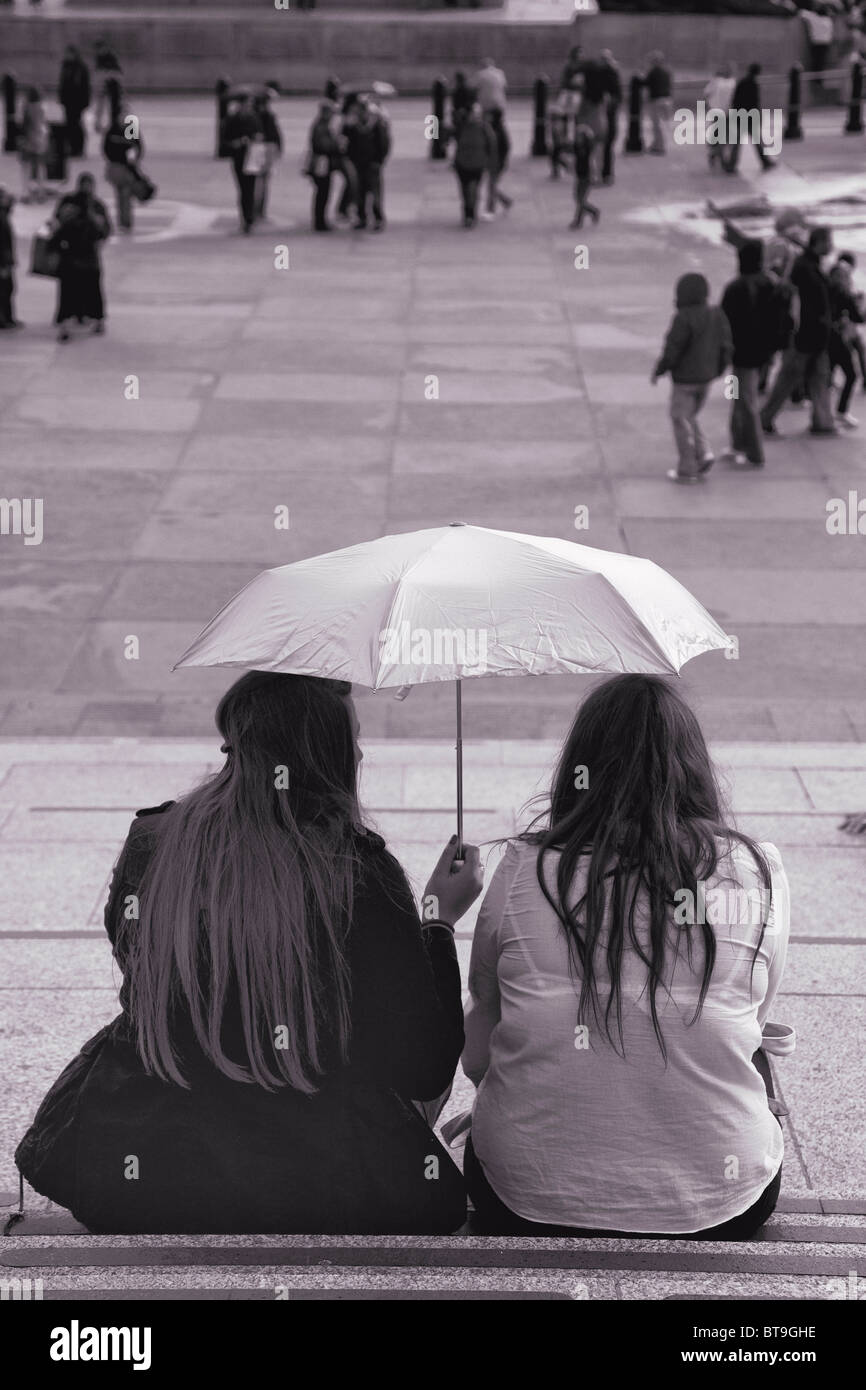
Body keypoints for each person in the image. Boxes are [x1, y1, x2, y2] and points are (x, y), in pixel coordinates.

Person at [16, 673, 483, 1234]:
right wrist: (435, 922)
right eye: (353, 738)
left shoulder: (151, 840)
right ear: (327, 753)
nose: (361, 753)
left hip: (147, 1164)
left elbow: (138, 968)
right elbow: (424, 1065)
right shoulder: (358, 870)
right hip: (325, 1183)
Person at [462, 674, 790, 1240]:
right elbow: (750, 1024)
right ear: (693, 769)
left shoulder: (522, 868)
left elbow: (479, 1042)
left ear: (577, 769)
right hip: (722, 1199)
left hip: (521, 1192)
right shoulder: (755, 871)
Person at [652, 272, 733, 482]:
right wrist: (720, 368)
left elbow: (673, 349)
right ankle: (703, 452)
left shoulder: (683, 318)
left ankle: (687, 467)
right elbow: (726, 344)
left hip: (685, 379)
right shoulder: (717, 314)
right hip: (706, 377)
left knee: (680, 419)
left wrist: (660, 369)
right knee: (689, 417)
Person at [760, 226, 837, 436]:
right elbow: (796, 302)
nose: (832, 246)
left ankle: (823, 421)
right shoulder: (805, 267)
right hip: (804, 334)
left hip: (815, 333)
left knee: (818, 377)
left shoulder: (809, 265)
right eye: (829, 241)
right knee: (789, 378)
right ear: (819, 242)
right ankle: (764, 418)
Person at [720, 240, 788, 468]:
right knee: (739, 397)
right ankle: (737, 443)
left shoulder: (737, 287)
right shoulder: (770, 283)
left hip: (741, 353)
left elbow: (724, 322)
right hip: (762, 352)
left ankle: (754, 451)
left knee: (743, 399)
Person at [47, 173, 111, 342]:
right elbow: (104, 232)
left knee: (68, 294)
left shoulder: (69, 211)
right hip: (89, 260)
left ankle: (66, 326)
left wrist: (54, 248)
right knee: (93, 292)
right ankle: (96, 320)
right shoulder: (96, 212)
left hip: (70, 260)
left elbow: (57, 231)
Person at [827, 253, 863, 427]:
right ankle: (840, 411)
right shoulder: (843, 293)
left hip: (823, 336)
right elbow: (859, 317)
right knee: (851, 374)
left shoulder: (823, 288)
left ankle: (823, 413)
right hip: (837, 338)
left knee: (825, 375)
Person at [345, 96, 390, 231]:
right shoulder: (354, 126)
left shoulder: (376, 124)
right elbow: (348, 142)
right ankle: (362, 217)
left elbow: (384, 144)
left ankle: (378, 218)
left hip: (373, 163)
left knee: (375, 192)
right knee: (360, 192)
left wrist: (379, 160)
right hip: (359, 163)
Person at [223, 93, 263, 234]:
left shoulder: (254, 118)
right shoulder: (233, 119)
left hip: (251, 156)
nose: (249, 106)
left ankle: (249, 217)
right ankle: (246, 216)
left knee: (250, 188)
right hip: (239, 157)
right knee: (243, 188)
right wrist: (238, 142)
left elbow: (260, 134)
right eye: (247, 103)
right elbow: (226, 140)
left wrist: (256, 139)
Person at [724, 64, 774, 172]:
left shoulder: (741, 82)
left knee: (737, 143)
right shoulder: (754, 85)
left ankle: (731, 165)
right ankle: (765, 161)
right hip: (750, 117)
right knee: (757, 142)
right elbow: (755, 103)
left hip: (739, 116)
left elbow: (735, 100)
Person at [453, 102, 495, 229]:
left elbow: (491, 144)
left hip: (477, 164)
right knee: (465, 191)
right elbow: (447, 135)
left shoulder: (483, 127)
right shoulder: (461, 126)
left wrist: (489, 161)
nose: (475, 116)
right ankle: (468, 213)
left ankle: (470, 215)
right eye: (473, 113)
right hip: (463, 163)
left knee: (473, 190)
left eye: (477, 114)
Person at [103, 112, 143, 233]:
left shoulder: (130, 127)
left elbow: (137, 146)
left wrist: (134, 159)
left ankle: (125, 221)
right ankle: (124, 220)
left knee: (125, 193)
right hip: (116, 166)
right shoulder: (113, 130)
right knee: (121, 193)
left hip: (126, 167)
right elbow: (106, 148)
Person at [305, 99, 341, 233]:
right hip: (321, 163)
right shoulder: (321, 126)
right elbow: (322, 145)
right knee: (322, 192)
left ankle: (320, 219)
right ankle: (320, 221)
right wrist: (336, 145)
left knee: (322, 192)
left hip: (323, 162)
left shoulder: (321, 125)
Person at [253, 89, 283, 222]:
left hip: (258, 148)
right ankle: (259, 210)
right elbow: (275, 134)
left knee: (257, 180)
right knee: (263, 181)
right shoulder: (267, 115)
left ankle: (256, 209)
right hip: (267, 147)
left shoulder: (254, 114)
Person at [58, 46, 91, 159]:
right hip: (68, 101)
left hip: (77, 102)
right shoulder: (66, 66)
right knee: (69, 125)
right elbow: (62, 84)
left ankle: (79, 148)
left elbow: (85, 87)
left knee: (77, 125)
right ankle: (72, 147)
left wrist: (85, 102)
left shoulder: (81, 68)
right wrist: (61, 98)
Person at [17, 87, 49, 204]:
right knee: (41, 167)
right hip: (41, 140)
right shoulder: (42, 108)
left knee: (26, 167)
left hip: (28, 140)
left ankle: (26, 192)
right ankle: (41, 192)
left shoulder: (27, 108)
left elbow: (23, 125)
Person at [482, 107, 513, 219]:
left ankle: (490, 210)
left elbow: (505, 148)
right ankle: (506, 201)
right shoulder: (493, 128)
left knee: (491, 186)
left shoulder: (498, 130)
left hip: (497, 162)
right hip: (492, 162)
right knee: (492, 186)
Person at [703, 63, 736, 170]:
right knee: (721, 135)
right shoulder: (719, 81)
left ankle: (715, 155)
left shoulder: (728, 82)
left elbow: (706, 93)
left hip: (724, 112)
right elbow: (706, 94)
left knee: (721, 135)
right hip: (720, 112)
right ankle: (718, 156)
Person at [598, 49, 622, 184]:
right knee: (607, 145)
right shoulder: (614, 73)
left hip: (605, 114)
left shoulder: (604, 73)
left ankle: (604, 173)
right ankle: (607, 174)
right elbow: (618, 96)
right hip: (609, 114)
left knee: (603, 145)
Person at [570, 125, 600, 230]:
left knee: (580, 199)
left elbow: (592, 163)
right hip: (580, 175)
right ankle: (591, 213)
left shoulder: (587, 150)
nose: (577, 138)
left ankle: (580, 219)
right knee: (578, 198)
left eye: (579, 137)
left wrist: (594, 176)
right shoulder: (577, 148)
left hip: (586, 177)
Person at [801, 4, 836, 93]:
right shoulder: (828, 20)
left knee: (816, 62)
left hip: (816, 43)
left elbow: (802, 13)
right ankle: (818, 81)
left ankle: (816, 81)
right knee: (820, 62)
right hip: (825, 44)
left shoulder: (814, 18)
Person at [643, 51, 672, 154]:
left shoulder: (653, 71)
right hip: (667, 99)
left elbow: (645, 83)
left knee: (657, 125)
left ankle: (659, 147)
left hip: (656, 100)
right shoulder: (667, 71)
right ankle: (657, 144)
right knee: (663, 124)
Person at [0, 188, 21, 329]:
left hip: (6, 259)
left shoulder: (4, 214)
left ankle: (8, 317)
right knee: (4, 290)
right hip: (3, 261)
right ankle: (3, 319)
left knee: (9, 288)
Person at [474, 56, 507, 122]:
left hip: (487, 105)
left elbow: (474, 87)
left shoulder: (480, 74)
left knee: (487, 126)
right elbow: (504, 86)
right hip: (499, 103)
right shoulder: (500, 73)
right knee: (499, 125)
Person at [450, 71, 475, 144]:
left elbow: (456, 102)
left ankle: (461, 146)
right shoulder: (468, 88)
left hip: (460, 113)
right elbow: (472, 100)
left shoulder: (459, 89)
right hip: (466, 112)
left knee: (459, 131)